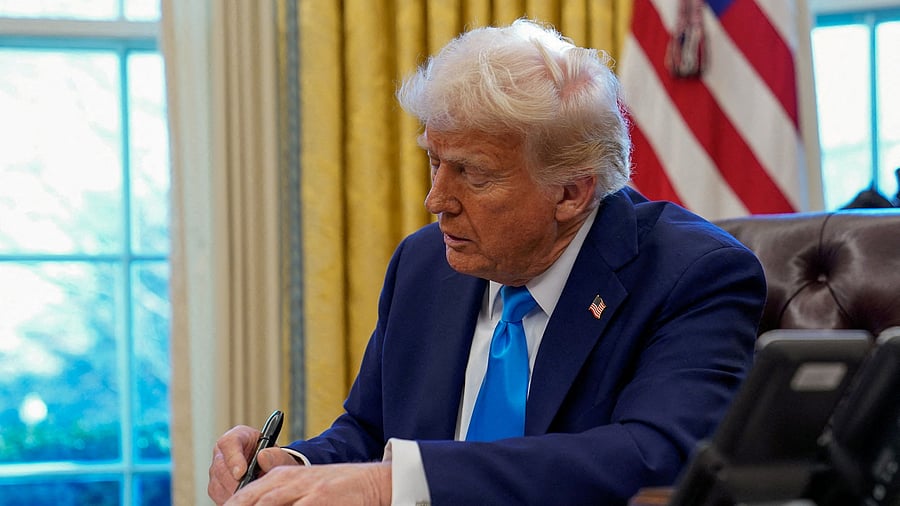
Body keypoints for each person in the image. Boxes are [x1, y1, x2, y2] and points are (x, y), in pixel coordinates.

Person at [208, 19, 767, 505]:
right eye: (434, 161)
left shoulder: (693, 275)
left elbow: (656, 455)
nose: (436, 201)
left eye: (472, 174)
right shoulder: (424, 264)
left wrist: (394, 486)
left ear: (571, 192)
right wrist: (294, 468)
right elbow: (368, 428)